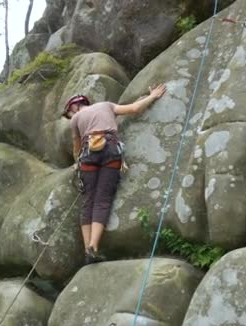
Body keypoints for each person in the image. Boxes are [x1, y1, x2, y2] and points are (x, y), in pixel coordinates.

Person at [62, 84, 167, 264]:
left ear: (74, 107)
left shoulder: (76, 118)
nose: (70, 116)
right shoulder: (106, 105)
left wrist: (76, 163)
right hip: (110, 150)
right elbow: (134, 108)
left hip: (88, 154)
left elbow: (76, 147)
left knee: (88, 201)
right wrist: (152, 96)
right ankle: (93, 247)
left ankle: (87, 249)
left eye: (69, 112)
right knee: (103, 199)